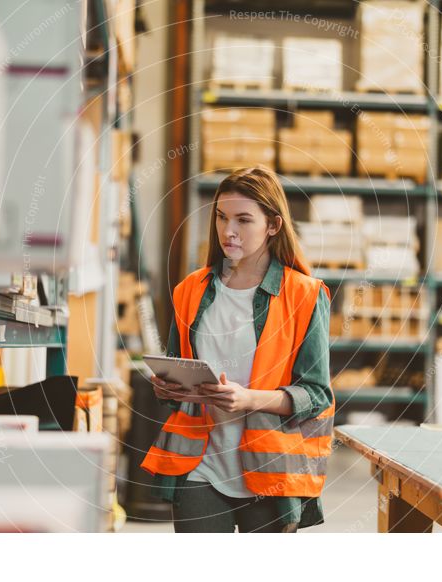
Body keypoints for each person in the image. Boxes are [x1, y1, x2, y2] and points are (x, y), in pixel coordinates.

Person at [140, 165, 334, 533]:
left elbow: (316, 394)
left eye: (244, 220)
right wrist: (167, 388)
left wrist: (248, 399)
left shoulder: (305, 296)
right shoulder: (190, 291)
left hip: (270, 471)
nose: (228, 230)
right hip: (200, 465)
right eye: (222, 217)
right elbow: (177, 372)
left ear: (273, 225)